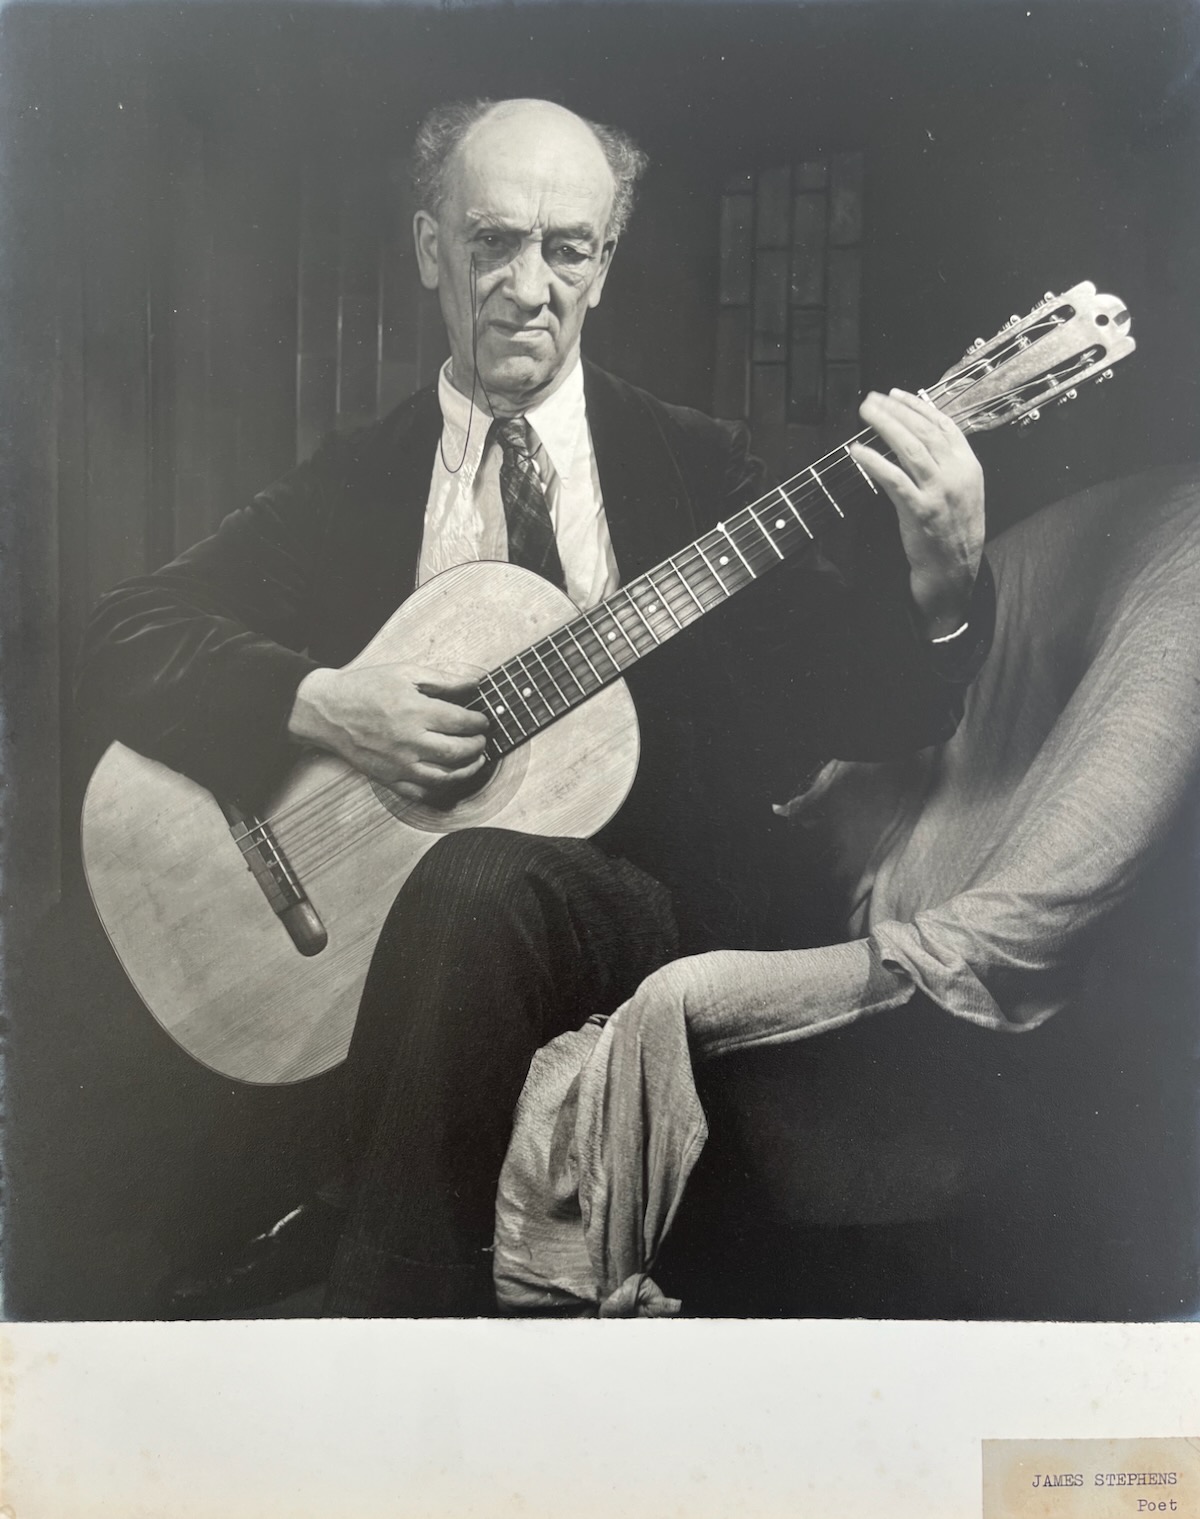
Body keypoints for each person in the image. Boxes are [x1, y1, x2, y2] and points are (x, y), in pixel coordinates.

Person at [77, 97, 994, 1317]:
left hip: (647, 901)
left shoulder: (702, 465)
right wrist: (328, 705)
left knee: (478, 882)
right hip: (382, 930)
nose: (527, 286)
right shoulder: (357, 478)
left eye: (567, 247)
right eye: (491, 242)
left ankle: (381, 1329)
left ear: (605, 263)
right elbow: (123, 631)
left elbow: (864, 703)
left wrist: (945, 583)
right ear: (428, 250)